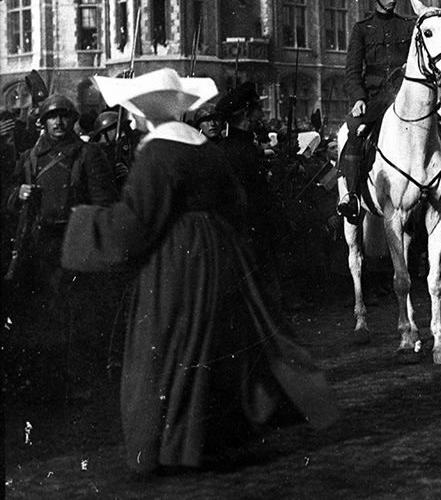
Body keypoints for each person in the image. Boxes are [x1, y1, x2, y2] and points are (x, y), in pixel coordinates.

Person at [60, 69, 339, 472]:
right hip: (222, 254)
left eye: (134, 112)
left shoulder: (155, 154)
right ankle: (217, 439)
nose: (132, 119)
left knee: (166, 348)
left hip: (176, 261)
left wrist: (85, 222)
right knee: (215, 346)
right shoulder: (205, 149)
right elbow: (238, 204)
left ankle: (171, 446)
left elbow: (137, 223)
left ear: (146, 114)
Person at [5, 93, 119, 400]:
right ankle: (45, 383)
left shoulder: (88, 153)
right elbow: (8, 196)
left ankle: (78, 383)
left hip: (75, 244)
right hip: (38, 247)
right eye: (52, 117)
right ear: (42, 122)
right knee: (41, 315)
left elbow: (104, 203)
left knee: (77, 317)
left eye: (65, 115)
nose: (59, 122)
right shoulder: (30, 157)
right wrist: (19, 192)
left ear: (72, 119)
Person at [337, 0, 415, 221]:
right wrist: (359, 98)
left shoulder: (407, 26)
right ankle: (351, 196)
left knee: (440, 130)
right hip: (375, 100)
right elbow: (352, 71)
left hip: (405, 97)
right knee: (355, 133)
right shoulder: (361, 30)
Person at [215, 81, 280, 307]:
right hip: (248, 237)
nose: (261, 115)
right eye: (257, 110)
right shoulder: (239, 152)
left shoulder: (232, 148)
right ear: (247, 115)